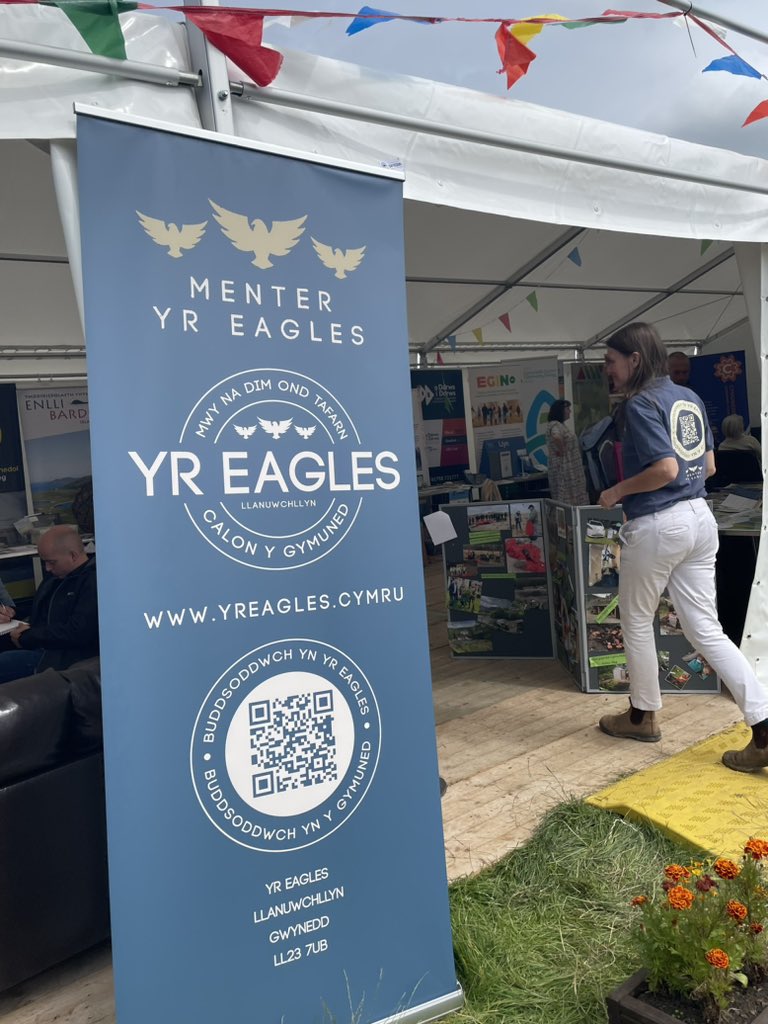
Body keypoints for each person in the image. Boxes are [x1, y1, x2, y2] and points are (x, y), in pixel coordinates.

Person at [596, 321, 768, 772]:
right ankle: (764, 726)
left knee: (635, 620)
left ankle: (642, 715)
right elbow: (707, 465)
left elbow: (666, 469)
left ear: (634, 360)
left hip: (658, 522)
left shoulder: (638, 404)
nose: (606, 370)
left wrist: (616, 492)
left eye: (611, 361)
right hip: (699, 519)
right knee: (706, 629)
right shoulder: (688, 398)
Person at [0, 524, 99, 684]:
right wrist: (13, 612)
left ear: (73, 555)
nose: (47, 568)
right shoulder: (57, 576)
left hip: (61, 655)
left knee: (5, 663)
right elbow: (41, 607)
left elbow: (78, 632)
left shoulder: (92, 583)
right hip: (41, 641)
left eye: (52, 562)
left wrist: (30, 636)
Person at [546, 399, 589, 505]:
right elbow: (556, 436)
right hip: (565, 470)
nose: (570, 411)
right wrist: (562, 450)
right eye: (567, 409)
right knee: (567, 499)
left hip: (570, 468)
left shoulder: (561, 425)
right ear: (560, 411)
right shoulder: (555, 425)